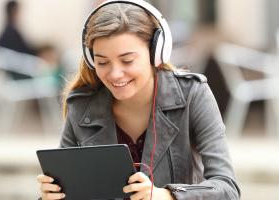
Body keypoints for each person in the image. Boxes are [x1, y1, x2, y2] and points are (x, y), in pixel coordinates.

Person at [37, 0, 241, 199]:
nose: (115, 74)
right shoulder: (81, 106)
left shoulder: (193, 94)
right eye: (102, 62)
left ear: (156, 53)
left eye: (127, 60)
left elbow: (227, 189)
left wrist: (167, 195)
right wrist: (50, 197)